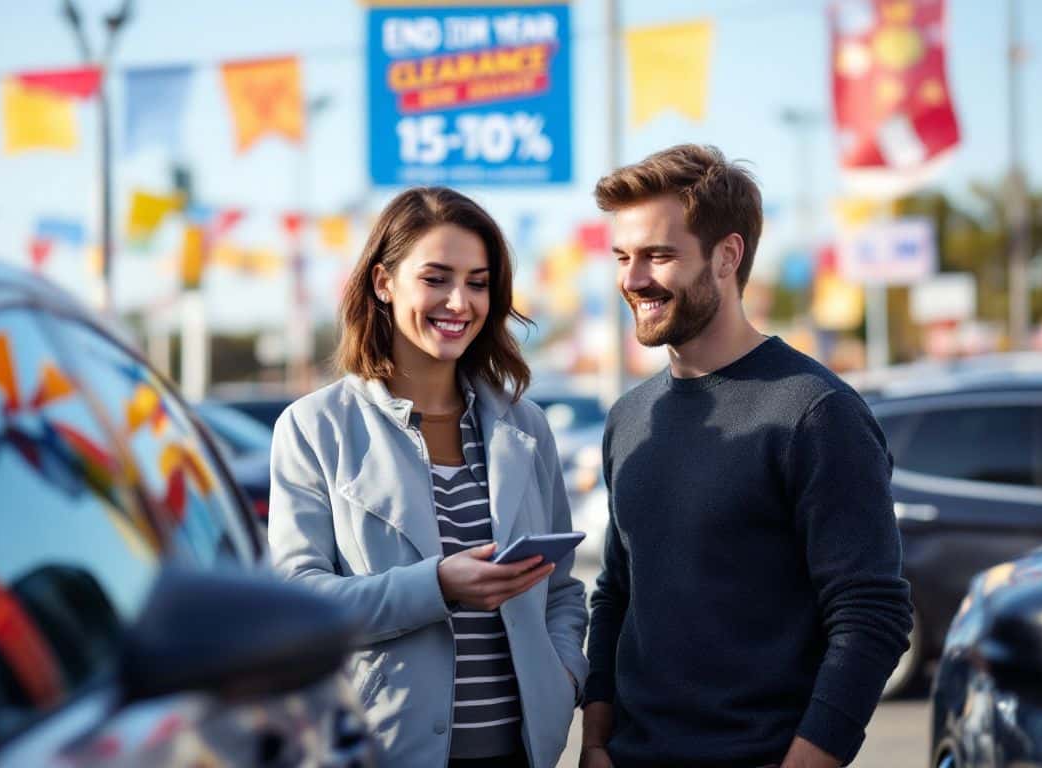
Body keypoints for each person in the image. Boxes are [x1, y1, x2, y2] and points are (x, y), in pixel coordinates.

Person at [579, 145, 913, 768]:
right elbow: (616, 592)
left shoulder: (816, 413)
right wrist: (595, 741)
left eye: (659, 255)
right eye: (623, 257)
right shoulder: (630, 417)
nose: (632, 278)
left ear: (727, 256)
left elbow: (873, 615)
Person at [267, 187, 587, 768]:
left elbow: (563, 589)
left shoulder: (526, 426)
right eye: (436, 278)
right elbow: (300, 606)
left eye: (478, 282)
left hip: (526, 753)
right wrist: (435, 586)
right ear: (384, 283)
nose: (459, 301)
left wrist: (563, 679)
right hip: (385, 750)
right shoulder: (314, 427)